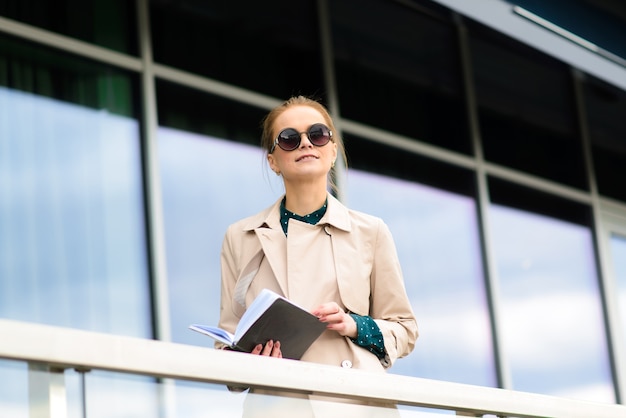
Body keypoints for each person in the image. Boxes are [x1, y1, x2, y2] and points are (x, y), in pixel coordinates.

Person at [216, 96, 418, 416]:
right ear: (273, 160)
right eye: (289, 139)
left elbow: (405, 331)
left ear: (333, 150)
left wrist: (353, 324)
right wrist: (251, 359)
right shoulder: (241, 237)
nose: (305, 144)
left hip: (355, 404)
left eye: (318, 134)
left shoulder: (371, 231)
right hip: (277, 406)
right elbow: (227, 343)